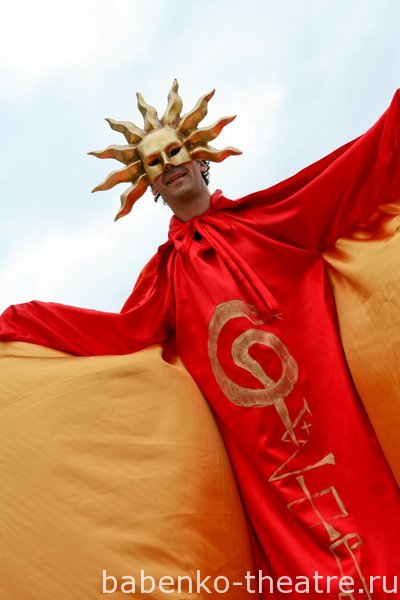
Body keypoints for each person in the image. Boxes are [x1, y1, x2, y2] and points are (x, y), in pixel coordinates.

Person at [1, 80, 399, 598]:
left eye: (174, 151)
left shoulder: (272, 221)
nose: (169, 164)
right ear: (148, 185)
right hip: (272, 474)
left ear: (198, 156)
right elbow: (117, 334)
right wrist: (20, 321)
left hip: (334, 428)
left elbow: (358, 170)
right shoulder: (164, 281)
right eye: (153, 163)